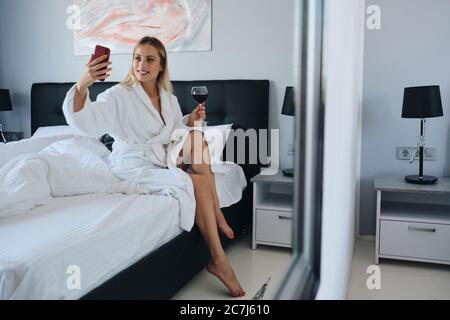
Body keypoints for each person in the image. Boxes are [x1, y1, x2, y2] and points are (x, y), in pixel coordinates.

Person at [62, 36, 245, 297]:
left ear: (161, 65)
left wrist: (190, 119)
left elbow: (174, 131)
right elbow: (85, 122)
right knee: (199, 181)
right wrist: (83, 83)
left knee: (196, 136)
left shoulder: (168, 97)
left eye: (149, 59)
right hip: (134, 165)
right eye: (137, 58)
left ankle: (215, 214)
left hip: (161, 157)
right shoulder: (118, 95)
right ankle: (218, 258)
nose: (141, 64)